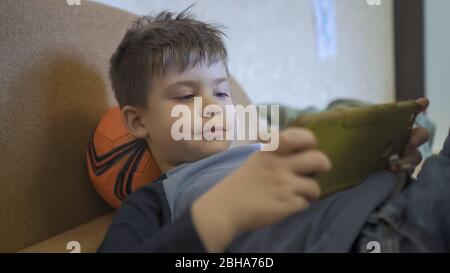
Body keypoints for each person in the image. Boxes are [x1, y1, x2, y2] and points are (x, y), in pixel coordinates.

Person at [97, 10, 441, 253]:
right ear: (138, 122)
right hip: (376, 235)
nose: (213, 106)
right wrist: (223, 210)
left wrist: (382, 162)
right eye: (186, 95)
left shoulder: (263, 148)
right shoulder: (156, 201)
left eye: (220, 92)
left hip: (407, 195)